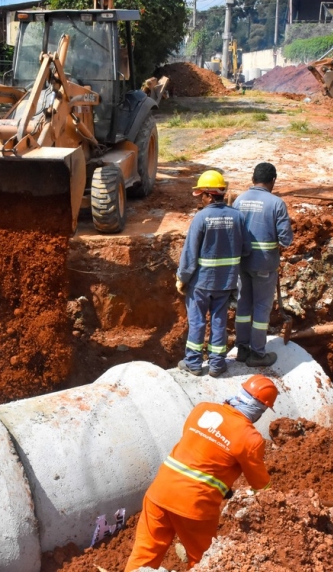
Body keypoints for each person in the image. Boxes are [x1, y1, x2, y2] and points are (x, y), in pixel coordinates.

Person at [124, 375, 279, 571]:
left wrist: (220, 482)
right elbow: (261, 485)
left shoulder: (202, 409)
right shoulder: (250, 438)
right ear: (260, 409)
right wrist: (277, 504)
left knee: (144, 554)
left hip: (159, 493)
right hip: (194, 506)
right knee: (204, 560)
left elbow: (198, 449)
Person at [176, 170, 249, 378]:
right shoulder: (237, 216)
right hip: (225, 282)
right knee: (219, 321)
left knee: (197, 322)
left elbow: (190, 253)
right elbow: (245, 249)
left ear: (209, 195)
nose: (201, 200)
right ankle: (217, 365)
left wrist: (182, 277)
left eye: (202, 196)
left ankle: (194, 363)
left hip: (200, 283)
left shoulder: (201, 217)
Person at [233, 162, 293, 368]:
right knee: (261, 308)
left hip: (242, 263)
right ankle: (257, 354)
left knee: (243, 304)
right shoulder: (276, 204)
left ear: (253, 179)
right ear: (273, 181)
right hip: (264, 265)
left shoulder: (239, 201)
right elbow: (286, 239)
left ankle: (242, 348)